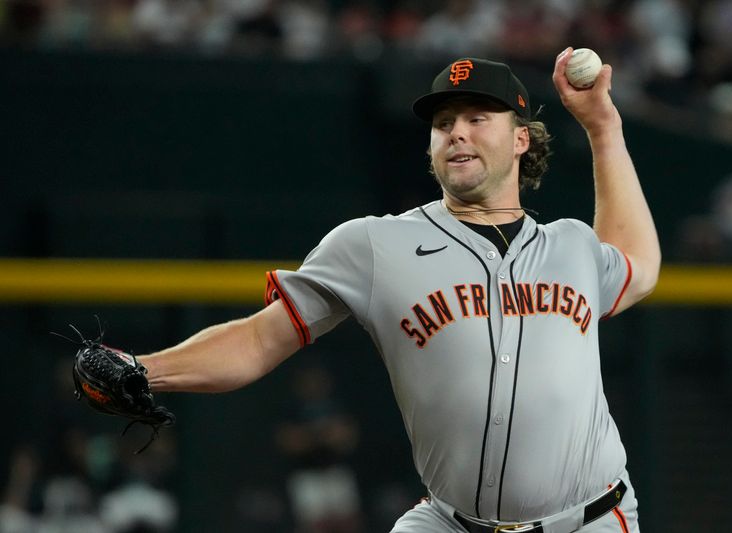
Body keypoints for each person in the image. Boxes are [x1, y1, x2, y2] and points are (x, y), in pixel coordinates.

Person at [137, 49, 660, 532]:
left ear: (521, 138)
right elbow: (257, 340)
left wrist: (602, 125)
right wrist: (145, 371)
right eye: (443, 123)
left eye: (478, 118)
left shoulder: (570, 245)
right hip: (452, 522)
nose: (457, 132)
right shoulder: (374, 245)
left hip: (591, 520)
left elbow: (639, 264)